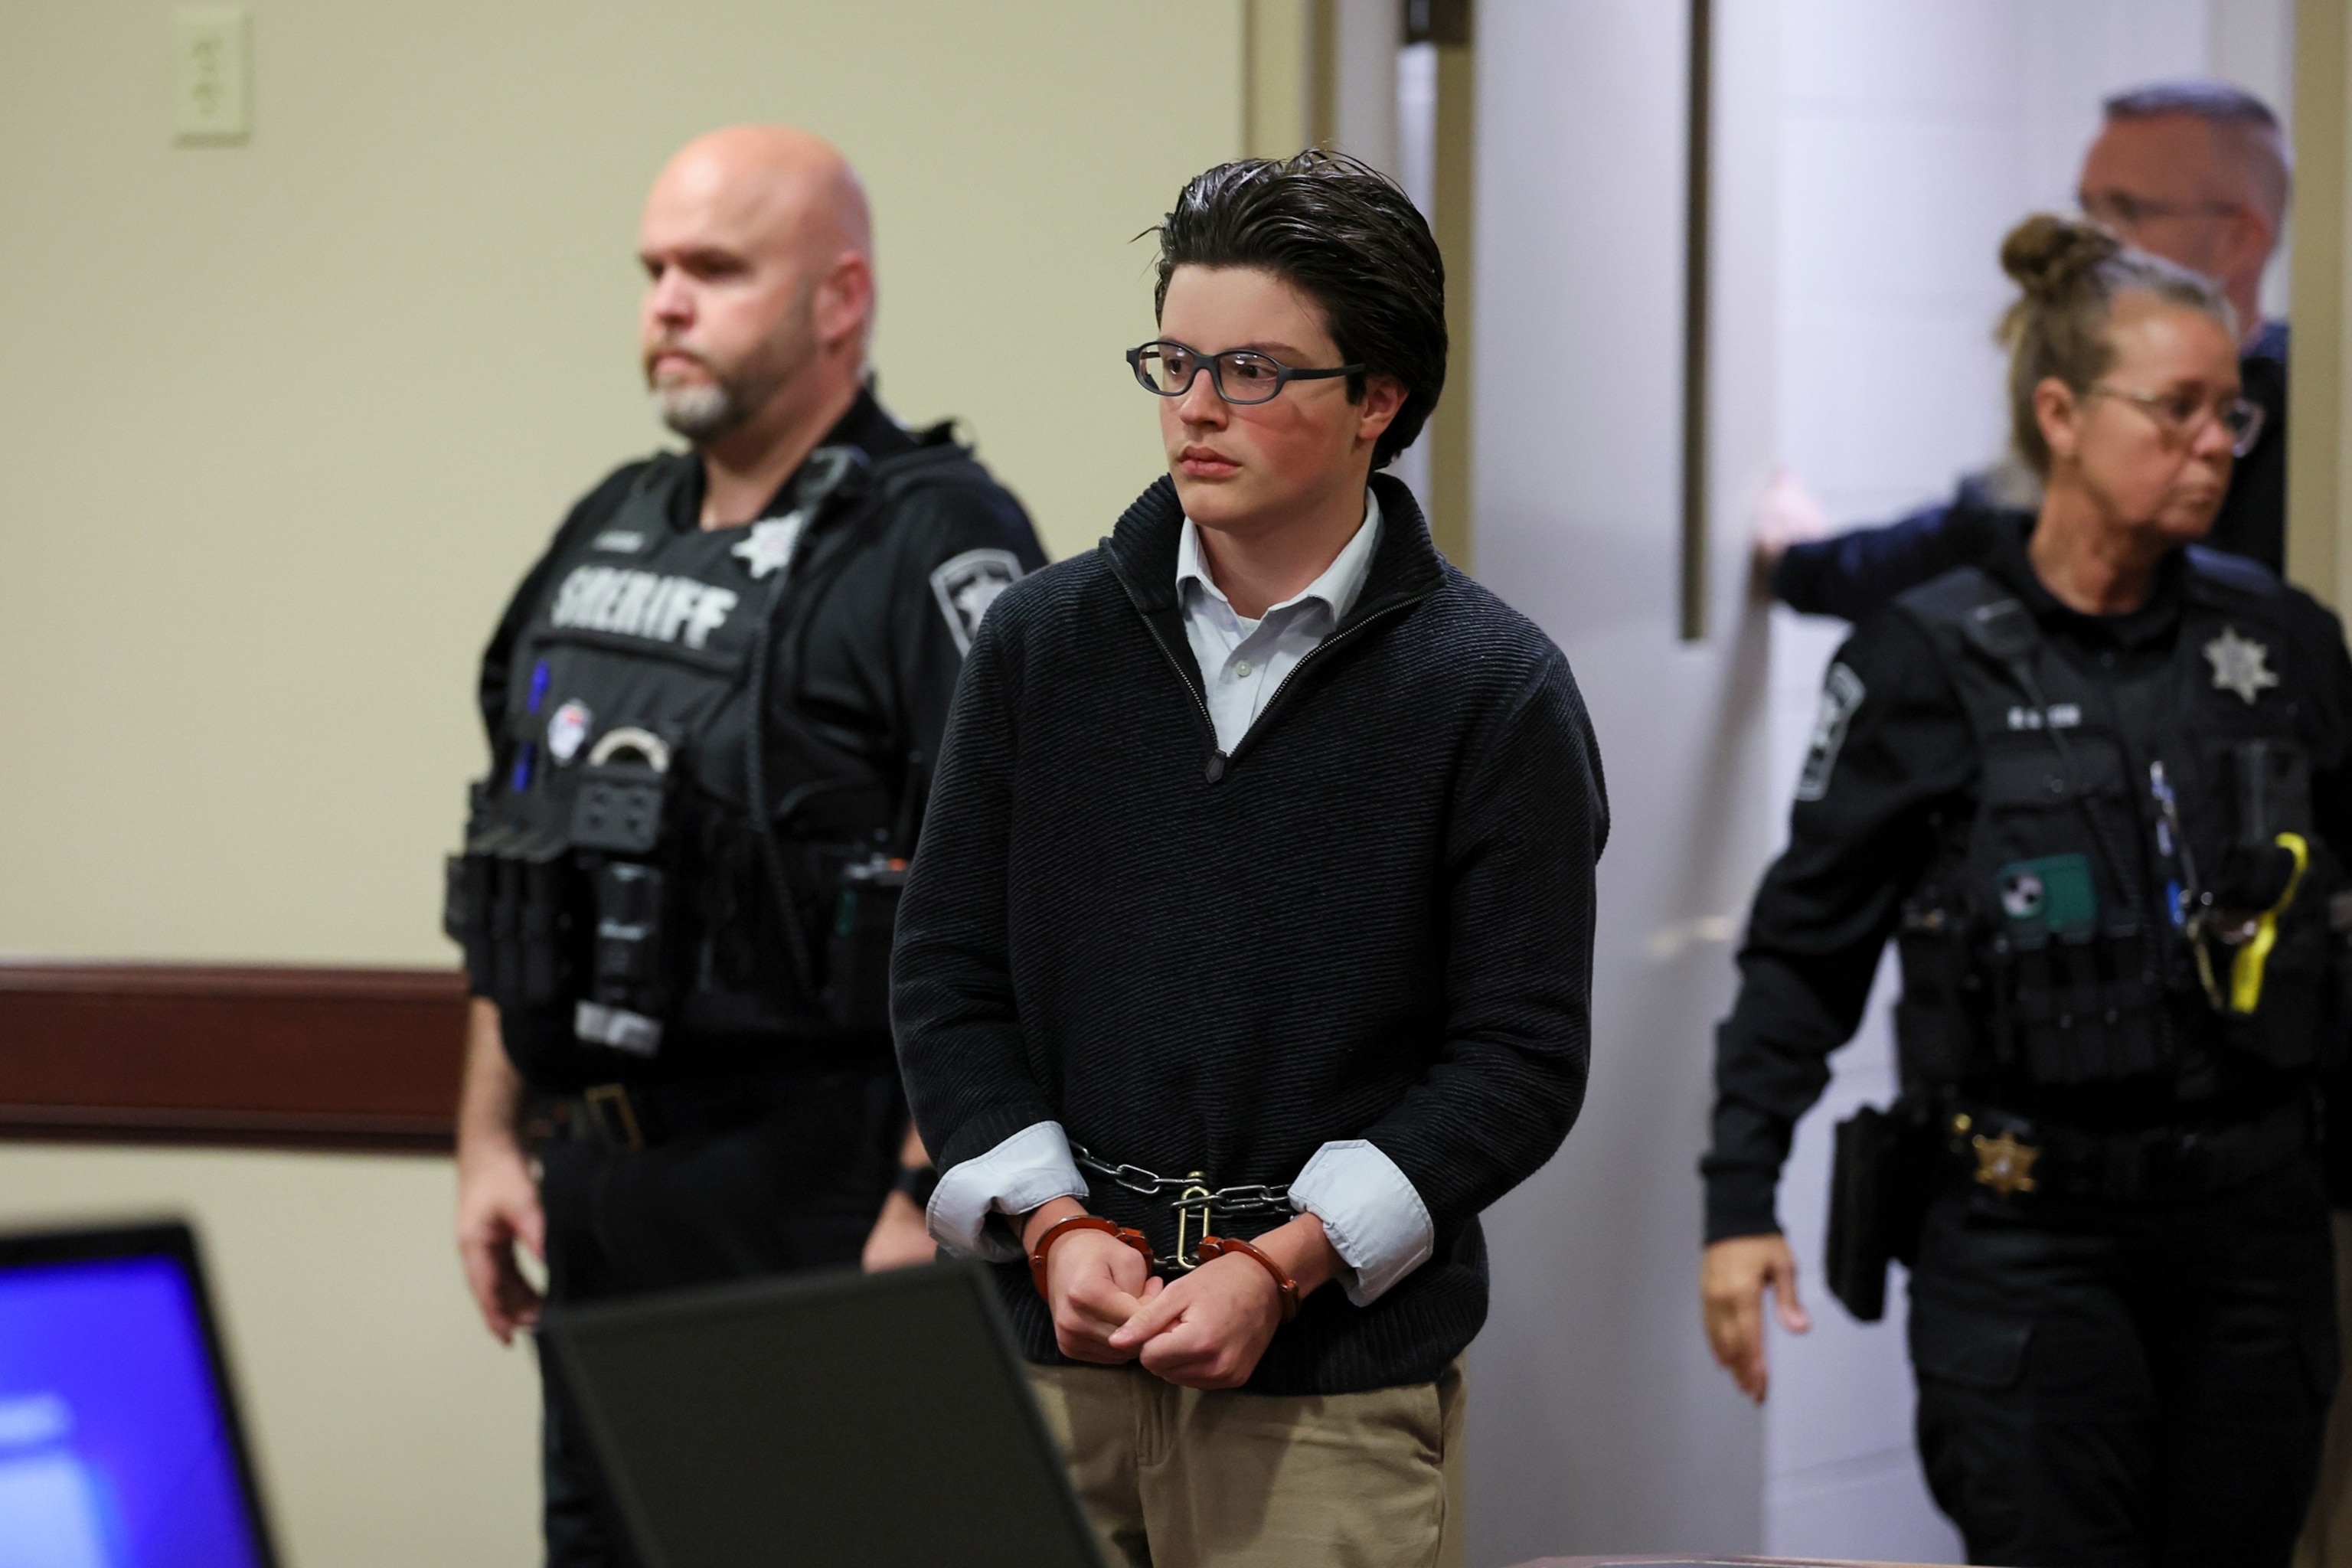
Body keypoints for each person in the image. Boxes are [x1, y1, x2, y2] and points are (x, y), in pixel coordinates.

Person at [892, 151, 1606, 1568]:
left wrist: (1282, 1267)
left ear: (1377, 401)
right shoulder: (1041, 645)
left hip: (1327, 1395)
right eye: (1174, 360)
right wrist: (1048, 1226)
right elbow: (946, 973)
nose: (1198, 407)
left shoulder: (1490, 688)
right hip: (1047, 1357)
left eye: (1253, 369)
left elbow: (1517, 1055)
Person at [1701, 212, 2350, 1566]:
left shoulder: (2278, 642)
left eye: (2230, 410)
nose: (2216, 441)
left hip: (2251, 1242)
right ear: (2059, 412)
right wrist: (1739, 1200)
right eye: (2174, 408)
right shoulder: (1921, 660)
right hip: (2026, 1240)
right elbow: (1803, 950)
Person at [443, 124, 1044, 1566]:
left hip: (822, 1198)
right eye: (654, 267)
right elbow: (520, 831)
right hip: (601, 1191)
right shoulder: (608, 529)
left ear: (839, 299)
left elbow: (1021, 906)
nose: (666, 300)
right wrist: (484, 1133)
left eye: (714, 268)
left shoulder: (937, 545)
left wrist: (924, 1202)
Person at [1764, 81, 2292, 621]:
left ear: (2238, 240)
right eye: (2085, 206)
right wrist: (1801, 560)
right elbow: (1975, 537)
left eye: (2127, 209)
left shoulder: (2310, 433)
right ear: (2059, 416)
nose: (2091, 237)